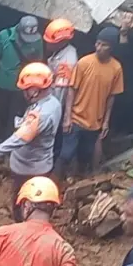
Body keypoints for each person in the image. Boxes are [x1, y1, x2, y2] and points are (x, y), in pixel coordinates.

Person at [0, 64, 62, 221]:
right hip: (39, 164)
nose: (24, 93)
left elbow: (19, 139)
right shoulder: (53, 103)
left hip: (29, 169)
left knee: (23, 204)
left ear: (37, 89)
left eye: (27, 89)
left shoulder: (42, 115)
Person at [60, 26, 123, 179]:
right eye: (98, 43)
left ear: (112, 47)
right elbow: (71, 90)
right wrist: (67, 117)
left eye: (104, 45)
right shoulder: (84, 63)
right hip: (76, 118)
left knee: (85, 155)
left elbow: (111, 97)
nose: (98, 47)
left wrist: (106, 122)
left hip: (95, 123)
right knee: (65, 154)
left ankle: (76, 184)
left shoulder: (116, 68)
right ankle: (55, 183)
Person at [0, 15, 43, 137]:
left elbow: (37, 65)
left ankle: (8, 148)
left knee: (15, 119)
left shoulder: (37, 41)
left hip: (22, 89)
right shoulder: (4, 36)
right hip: (2, 84)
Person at [44, 18, 78, 164]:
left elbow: (61, 91)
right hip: (49, 101)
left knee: (52, 139)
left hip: (55, 106)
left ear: (61, 42)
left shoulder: (67, 61)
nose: (47, 44)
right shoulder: (58, 53)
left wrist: (50, 111)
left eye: (50, 42)